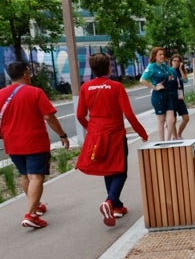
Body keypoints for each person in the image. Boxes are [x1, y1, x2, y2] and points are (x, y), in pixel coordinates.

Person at [75, 53, 149, 227]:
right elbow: (128, 114)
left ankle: (116, 206)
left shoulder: (85, 87)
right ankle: (109, 202)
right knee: (120, 170)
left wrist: (91, 128)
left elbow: (79, 115)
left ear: (92, 69)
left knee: (108, 169)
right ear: (109, 67)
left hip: (96, 135)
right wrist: (142, 132)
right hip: (115, 134)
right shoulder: (116, 87)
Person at [0, 61, 70, 229]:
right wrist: (62, 135)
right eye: (29, 72)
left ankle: (36, 206)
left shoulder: (1, 94)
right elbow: (49, 117)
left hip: (12, 142)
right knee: (36, 177)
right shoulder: (35, 92)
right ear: (25, 74)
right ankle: (30, 215)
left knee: (25, 175)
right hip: (34, 142)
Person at [139, 46, 177, 141]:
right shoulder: (151, 66)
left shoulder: (164, 66)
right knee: (161, 120)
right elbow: (142, 80)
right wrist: (154, 87)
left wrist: (170, 78)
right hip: (158, 96)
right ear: (155, 56)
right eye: (160, 54)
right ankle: (162, 142)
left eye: (163, 54)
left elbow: (171, 75)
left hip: (167, 95)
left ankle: (168, 141)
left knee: (171, 120)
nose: (162, 56)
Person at [170, 54, 190, 139]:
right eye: (174, 61)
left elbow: (185, 80)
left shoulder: (180, 71)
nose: (176, 63)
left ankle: (179, 134)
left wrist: (181, 69)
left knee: (186, 118)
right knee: (173, 120)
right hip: (172, 98)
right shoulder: (169, 71)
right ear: (171, 62)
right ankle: (175, 137)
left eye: (178, 61)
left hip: (180, 97)